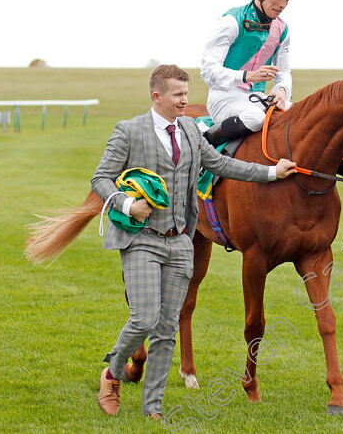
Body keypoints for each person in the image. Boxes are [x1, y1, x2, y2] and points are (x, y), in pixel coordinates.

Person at [92, 64, 297, 419]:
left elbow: (220, 164)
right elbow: (101, 178)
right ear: (157, 96)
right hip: (141, 239)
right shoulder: (128, 131)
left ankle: (152, 407)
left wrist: (270, 172)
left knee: (168, 328)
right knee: (144, 320)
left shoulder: (189, 128)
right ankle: (112, 373)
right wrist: (127, 203)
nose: (185, 101)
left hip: (180, 242)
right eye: (178, 95)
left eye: (187, 94)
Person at [200, 0, 304, 146]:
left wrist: (281, 91)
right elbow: (208, 72)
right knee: (256, 118)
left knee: (303, 116)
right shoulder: (231, 22)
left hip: (257, 98)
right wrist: (248, 76)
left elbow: (284, 73)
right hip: (223, 97)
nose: (283, 4)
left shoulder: (283, 30)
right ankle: (203, 143)